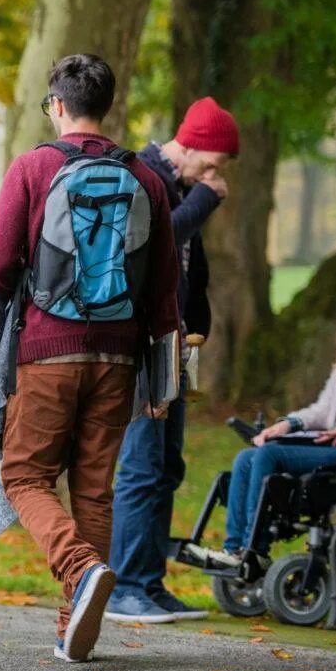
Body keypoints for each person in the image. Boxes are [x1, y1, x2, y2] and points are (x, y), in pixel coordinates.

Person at [0, 54, 179, 664]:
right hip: (121, 354)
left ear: (58, 105)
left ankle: (80, 566)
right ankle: (77, 623)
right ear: (108, 107)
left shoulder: (34, 167)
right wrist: (161, 372)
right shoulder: (147, 179)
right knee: (94, 489)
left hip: (48, 349)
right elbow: (164, 286)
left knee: (24, 476)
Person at [106, 97, 239, 624]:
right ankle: (124, 589)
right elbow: (156, 243)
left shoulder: (184, 186)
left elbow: (191, 264)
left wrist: (198, 320)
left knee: (167, 466)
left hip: (176, 344)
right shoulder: (146, 177)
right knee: (140, 465)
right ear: (190, 145)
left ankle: (150, 582)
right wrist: (205, 198)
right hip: (140, 344)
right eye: (212, 164)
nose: (215, 177)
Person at [189, 319, 336, 565]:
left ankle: (254, 548)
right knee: (246, 458)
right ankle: (234, 547)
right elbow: (321, 411)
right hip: (327, 443)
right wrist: (287, 424)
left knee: (267, 455)